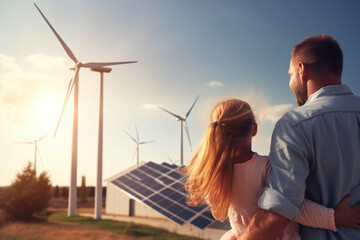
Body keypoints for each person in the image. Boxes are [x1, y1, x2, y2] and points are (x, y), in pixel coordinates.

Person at [182, 98, 360, 240]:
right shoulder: (267, 167)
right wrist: (334, 217)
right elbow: (291, 207)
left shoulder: (216, 173)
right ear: (254, 129)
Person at [238, 34, 360, 240]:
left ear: (302, 70)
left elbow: (279, 210)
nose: (290, 82)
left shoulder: (295, 124)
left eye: (290, 74)